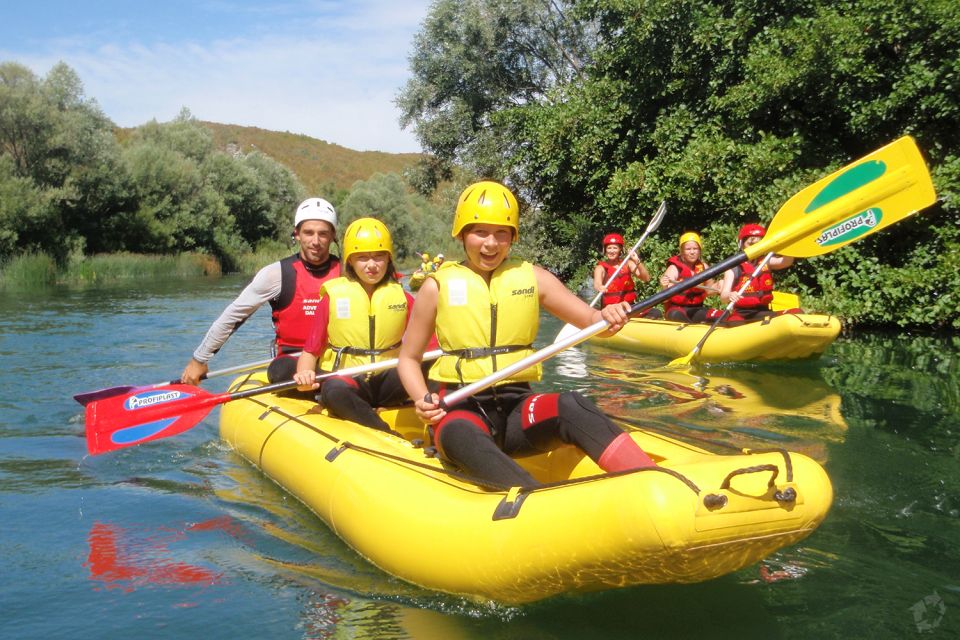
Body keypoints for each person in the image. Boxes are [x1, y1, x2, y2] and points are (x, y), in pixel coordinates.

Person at [398, 181, 657, 490]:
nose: (491, 244)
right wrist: (422, 399)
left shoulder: (534, 278)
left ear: (513, 237)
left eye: (501, 233)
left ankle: (653, 482)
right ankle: (536, 503)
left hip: (517, 408)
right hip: (460, 411)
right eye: (480, 232)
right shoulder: (435, 286)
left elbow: (590, 319)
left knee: (572, 404)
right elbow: (409, 359)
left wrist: (608, 316)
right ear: (462, 233)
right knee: (462, 434)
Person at [181, 197, 341, 385]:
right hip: (291, 362)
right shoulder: (276, 274)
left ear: (333, 236)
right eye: (308, 233)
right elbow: (233, 316)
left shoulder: (348, 272)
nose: (315, 241)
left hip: (336, 360)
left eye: (323, 234)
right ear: (296, 234)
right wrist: (199, 359)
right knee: (279, 371)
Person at [292, 218, 418, 433]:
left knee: (428, 368)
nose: (372, 265)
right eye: (362, 258)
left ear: (388, 259)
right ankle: (384, 433)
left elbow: (426, 345)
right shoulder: (332, 298)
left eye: (379, 256)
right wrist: (304, 374)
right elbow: (311, 350)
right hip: (349, 380)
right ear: (350, 261)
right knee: (333, 389)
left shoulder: (404, 298)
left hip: (389, 380)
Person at [719, 223, 798, 324]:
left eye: (758, 245)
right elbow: (723, 297)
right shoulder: (734, 268)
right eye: (750, 244)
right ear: (742, 244)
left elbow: (786, 261)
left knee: (797, 312)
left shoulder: (766, 261)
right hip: (742, 314)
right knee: (734, 323)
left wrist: (788, 243)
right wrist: (730, 295)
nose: (755, 248)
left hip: (764, 311)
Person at [593, 232, 662, 319]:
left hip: (629, 306)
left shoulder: (628, 264)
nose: (611, 251)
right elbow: (597, 283)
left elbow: (646, 278)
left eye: (615, 248)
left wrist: (637, 261)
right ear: (605, 250)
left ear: (620, 250)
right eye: (609, 248)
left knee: (655, 313)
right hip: (612, 309)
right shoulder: (601, 267)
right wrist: (600, 287)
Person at [659, 231, 719, 323]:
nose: (692, 252)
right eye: (688, 249)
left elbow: (709, 290)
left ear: (699, 250)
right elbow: (666, 298)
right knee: (676, 315)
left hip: (696, 309)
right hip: (677, 309)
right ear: (682, 251)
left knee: (720, 315)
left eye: (695, 249)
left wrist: (720, 286)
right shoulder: (674, 268)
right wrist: (664, 287)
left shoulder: (704, 267)